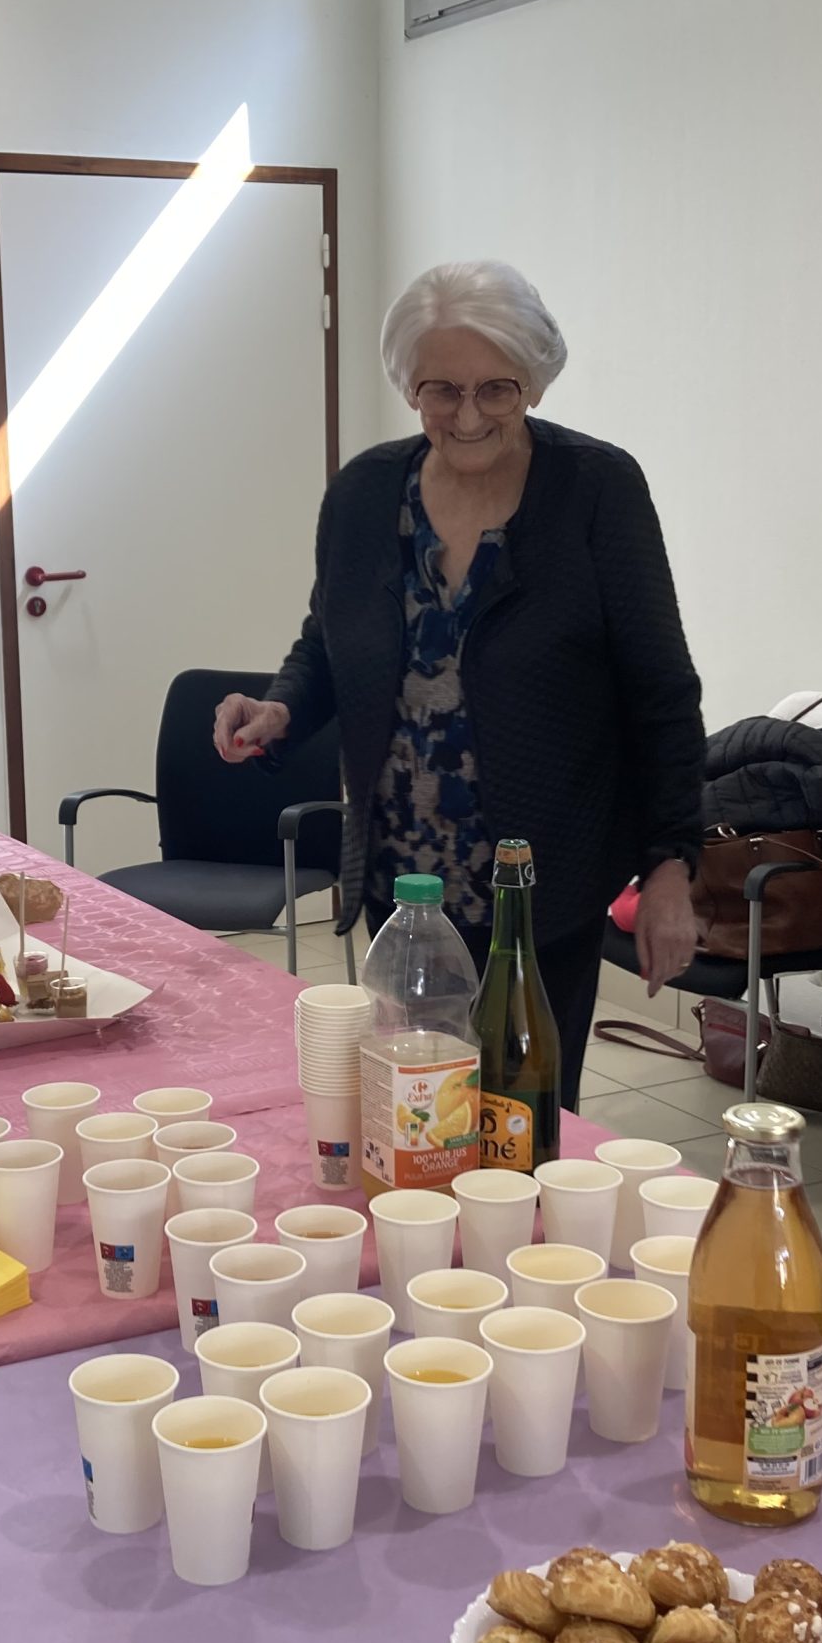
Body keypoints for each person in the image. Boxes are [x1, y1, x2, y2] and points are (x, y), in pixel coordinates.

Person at [214, 261, 704, 1093]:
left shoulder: (596, 490)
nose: (468, 416)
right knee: (410, 1109)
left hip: (539, 886)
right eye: (441, 389)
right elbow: (327, 641)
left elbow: (662, 690)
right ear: (410, 386)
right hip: (402, 883)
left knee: (521, 1117)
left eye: (496, 389)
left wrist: (671, 863)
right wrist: (282, 708)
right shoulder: (364, 495)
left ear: (534, 383)